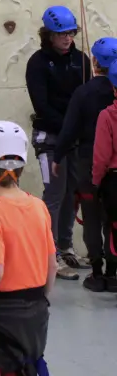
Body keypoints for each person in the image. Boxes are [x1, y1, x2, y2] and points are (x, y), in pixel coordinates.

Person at [0, 121, 55, 376]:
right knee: (32, 364)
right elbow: (51, 261)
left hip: (5, 311)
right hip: (38, 308)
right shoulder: (39, 206)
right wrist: (43, 297)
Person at [26, 5, 91, 280]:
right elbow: (41, 105)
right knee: (54, 194)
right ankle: (48, 254)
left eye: (71, 32)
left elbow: (86, 98)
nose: (68, 38)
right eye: (61, 34)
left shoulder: (81, 60)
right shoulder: (38, 63)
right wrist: (68, 129)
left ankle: (65, 245)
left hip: (75, 136)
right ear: (48, 35)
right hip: (50, 137)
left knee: (72, 193)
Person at [53, 36, 117, 292]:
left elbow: (69, 130)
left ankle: (97, 270)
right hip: (113, 171)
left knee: (91, 217)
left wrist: (57, 157)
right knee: (112, 219)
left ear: (94, 61)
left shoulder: (84, 92)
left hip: (89, 162)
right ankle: (113, 270)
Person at [92, 60, 117, 289]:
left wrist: (96, 182)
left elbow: (101, 155)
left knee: (112, 228)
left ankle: (110, 274)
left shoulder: (108, 116)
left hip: (114, 180)